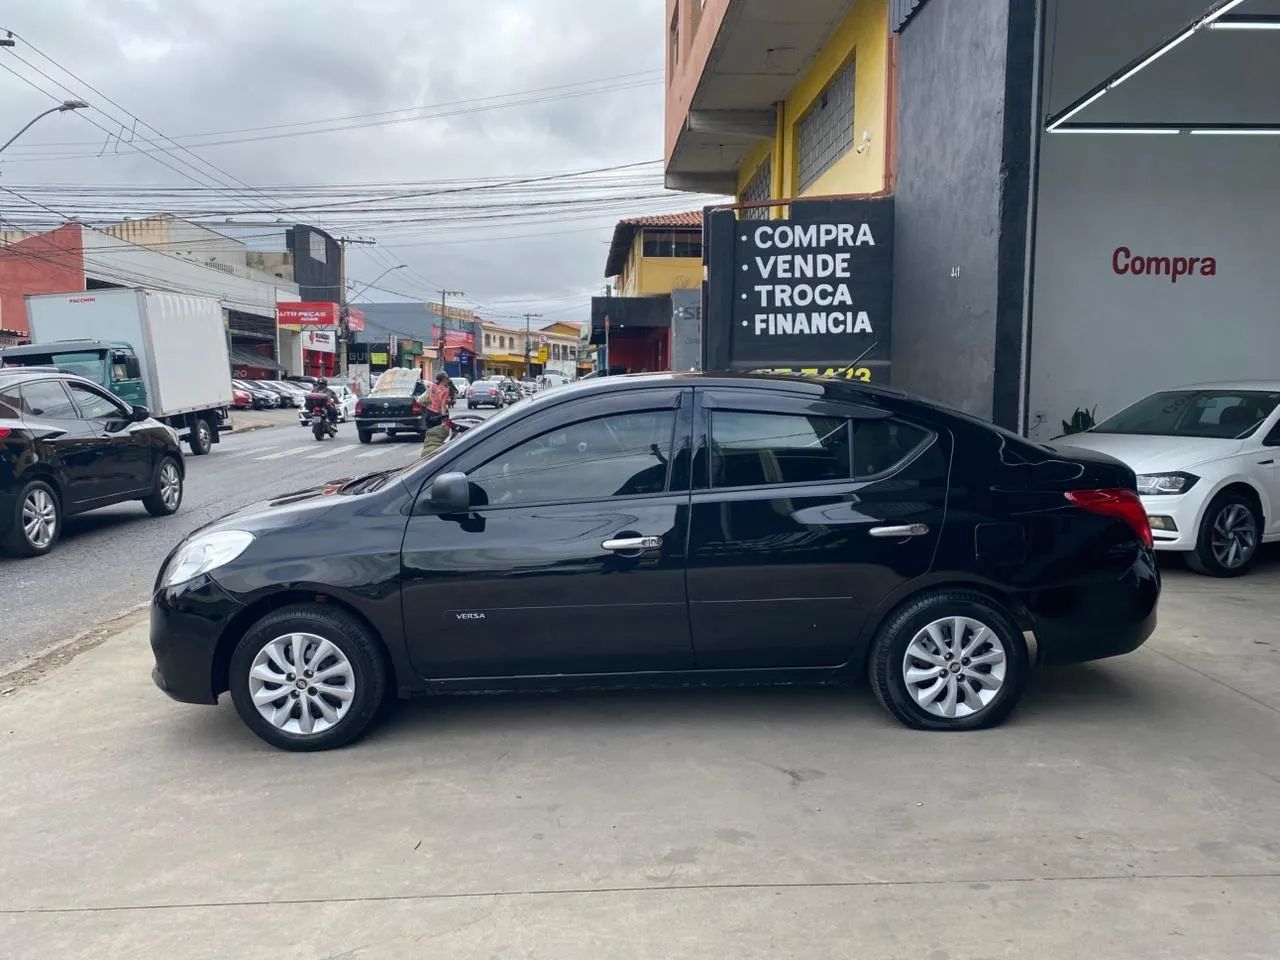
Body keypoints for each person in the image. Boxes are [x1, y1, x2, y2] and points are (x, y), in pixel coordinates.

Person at [419, 371, 453, 458]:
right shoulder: (445, 390)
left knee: (430, 436)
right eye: (447, 378)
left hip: (429, 414)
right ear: (444, 379)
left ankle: (427, 455)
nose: (448, 380)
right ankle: (436, 456)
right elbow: (443, 405)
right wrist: (444, 417)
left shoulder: (432, 387)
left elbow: (423, 400)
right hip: (439, 415)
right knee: (439, 437)